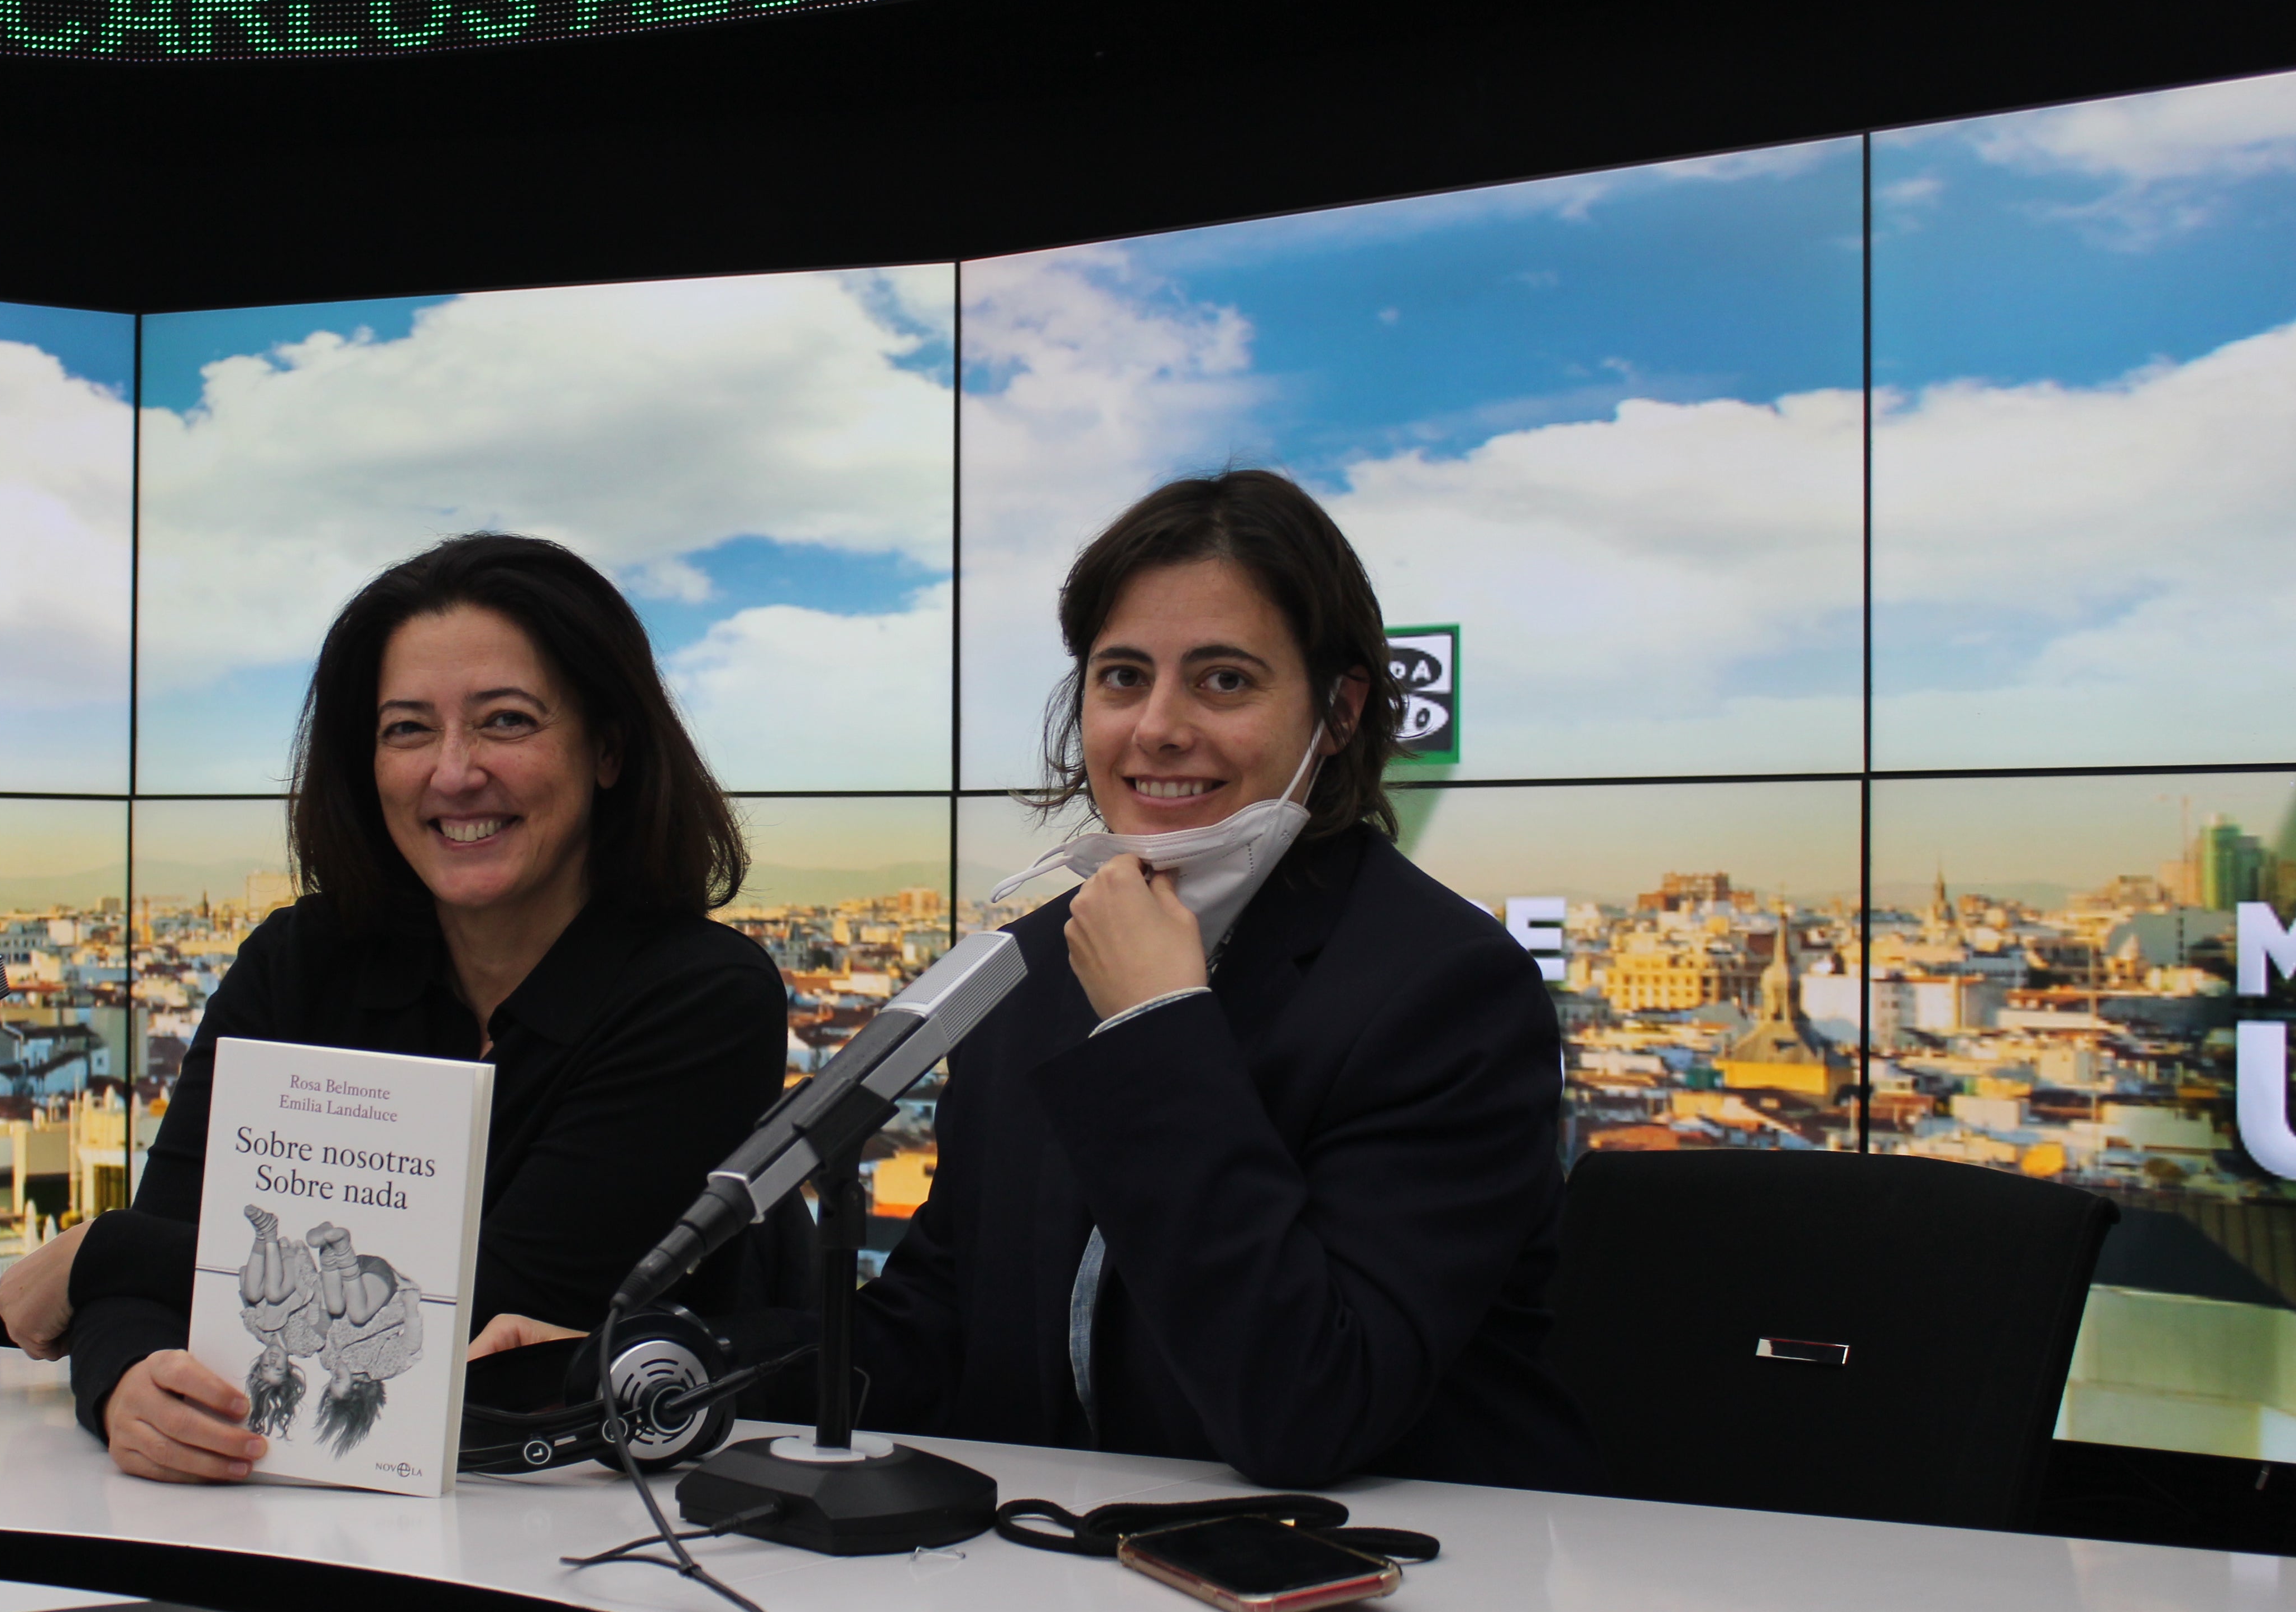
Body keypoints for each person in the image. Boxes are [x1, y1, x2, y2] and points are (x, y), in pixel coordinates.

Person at [485, 470, 1598, 1493]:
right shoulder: (1038, 960)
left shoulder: (1445, 990)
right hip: (1061, 1599)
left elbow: (1308, 1405)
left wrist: (1159, 1022)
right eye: (1122, 678)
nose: (1158, 728)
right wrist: (643, 1365)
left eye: (1224, 679)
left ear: (1341, 712)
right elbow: (933, 1335)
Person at [0, 533, 790, 1483]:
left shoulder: (700, 995)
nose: (453, 774)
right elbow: (171, 1261)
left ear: (608, 747)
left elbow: (497, 1313)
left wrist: (104, 1250)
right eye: (408, 729)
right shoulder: (302, 963)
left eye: (505, 721)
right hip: (268, 1503)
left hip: (579, 1529)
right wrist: (127, 1380)